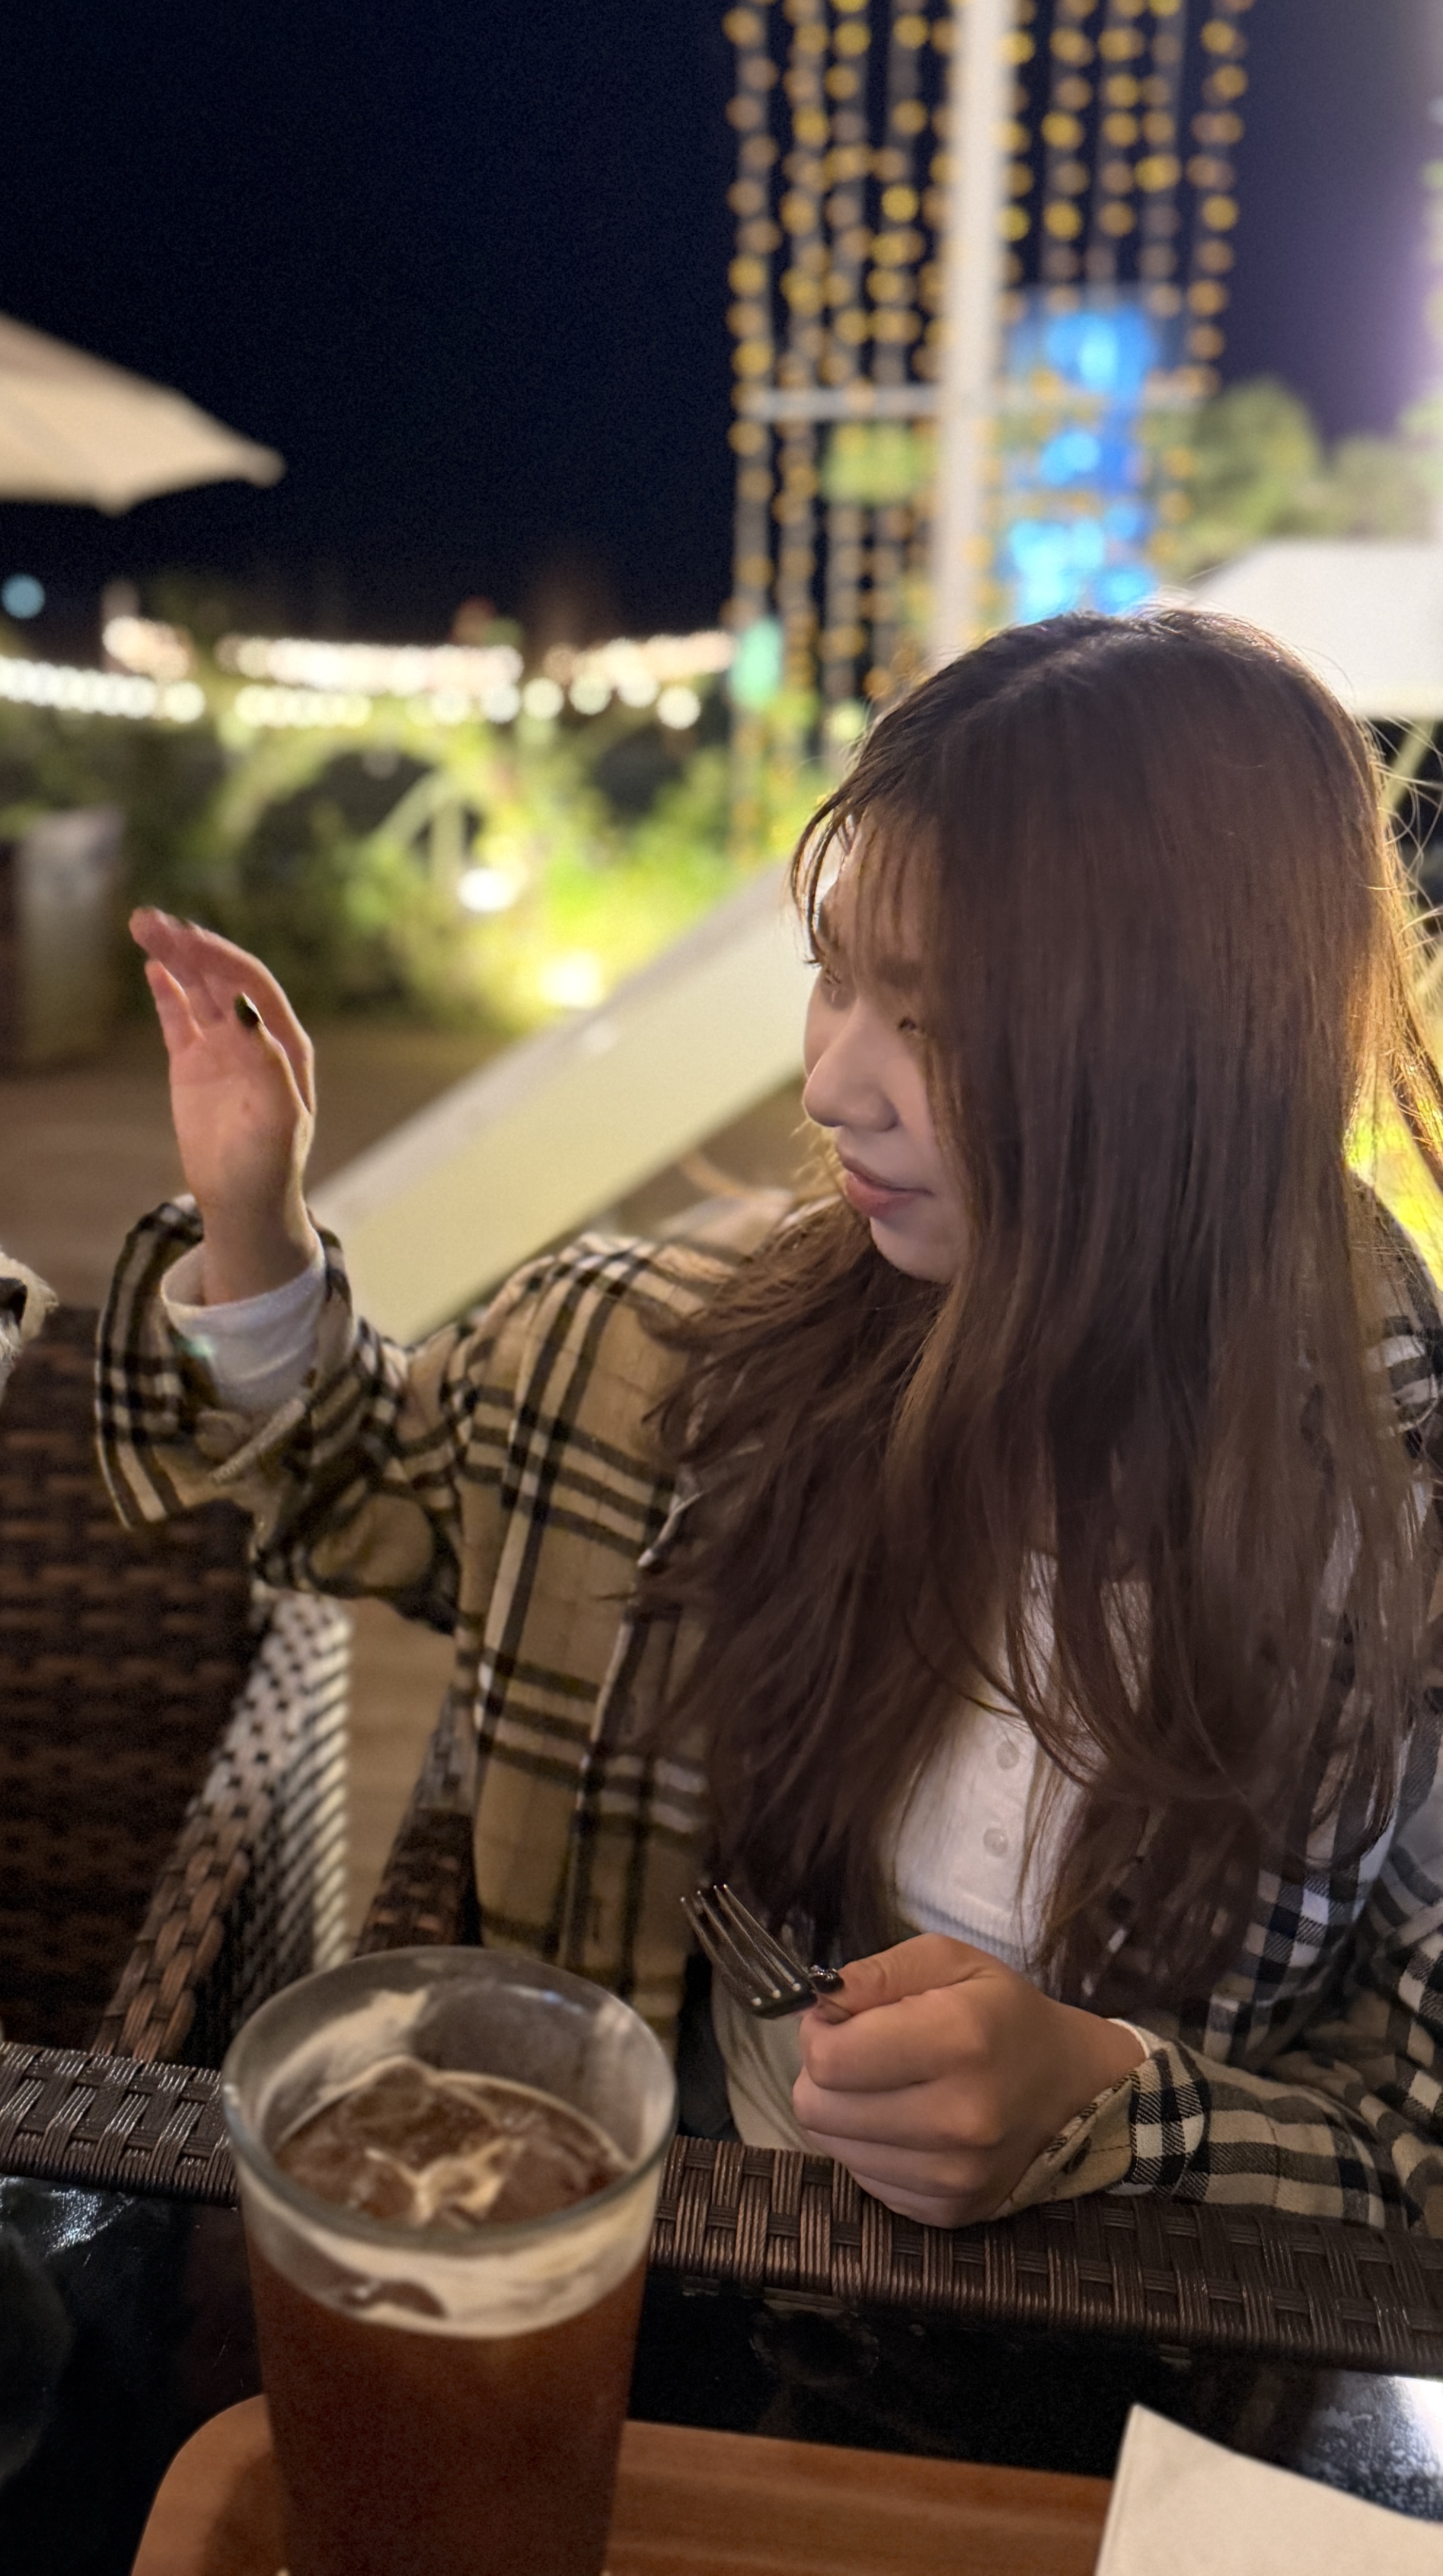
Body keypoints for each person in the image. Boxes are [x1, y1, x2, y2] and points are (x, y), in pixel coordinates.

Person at [98, 610, 1443, 2231]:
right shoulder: (671, 1360)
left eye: (934, 1021)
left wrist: (1113, 2106)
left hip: (1120, 2339)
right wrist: (252, 1222)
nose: (829, 1085)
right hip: (680, 2241)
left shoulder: (1396, 1540)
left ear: (1199, 1057)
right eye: (834, 976)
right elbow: (354, 1482)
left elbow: (1415, 2143)